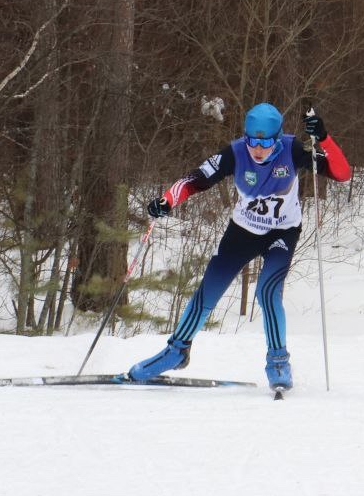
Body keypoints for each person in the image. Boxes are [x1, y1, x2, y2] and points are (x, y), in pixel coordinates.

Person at [128, 103, 352, 390]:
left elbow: (343, 174)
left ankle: (278, 360)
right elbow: (194, 180)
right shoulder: (234, 153)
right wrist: (167, 201)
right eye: (252, 141)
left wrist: (324, 138)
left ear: (277, 138)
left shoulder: (292, 149)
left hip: (281, 233)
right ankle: (177, 351)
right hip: (243, 231)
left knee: (267, 291)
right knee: (208, 290)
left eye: (265, 142)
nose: (258, 149)